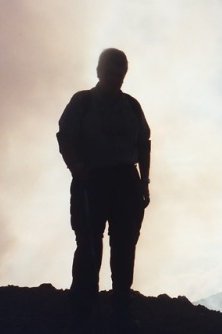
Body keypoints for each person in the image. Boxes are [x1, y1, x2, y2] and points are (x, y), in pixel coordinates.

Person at [57, 48, 151, 332]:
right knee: (88, 244)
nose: (117, 75)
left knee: (123, 246)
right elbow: (65, 136)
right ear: (99, 71)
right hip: (92, 179)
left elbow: (144, 142)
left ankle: (119, 309)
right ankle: (85, 309)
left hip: (125, 181)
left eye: (121, 69)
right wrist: (76, 167)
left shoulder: (132, 106)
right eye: (112, 69)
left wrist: (144, 182)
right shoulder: (83, 101)